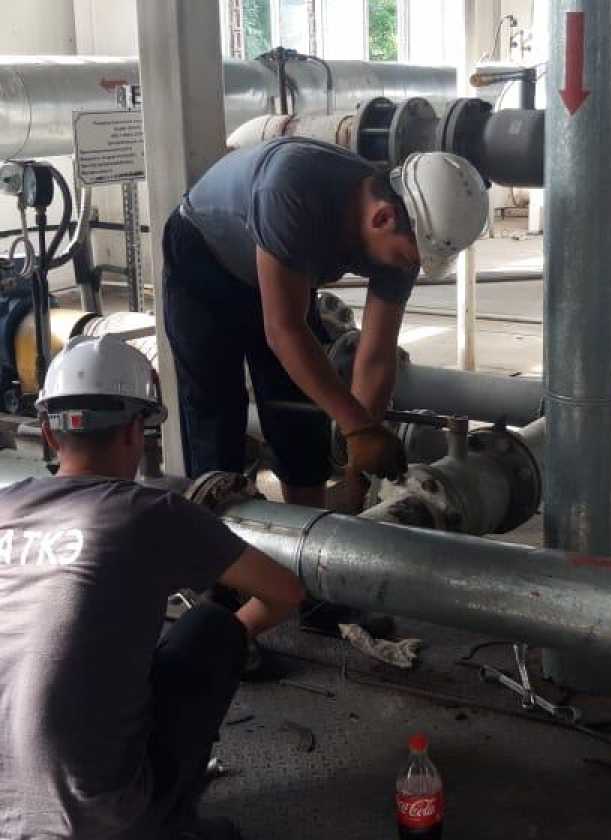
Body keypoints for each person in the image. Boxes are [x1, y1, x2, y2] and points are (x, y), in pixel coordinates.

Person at [0, 335, 305, 840]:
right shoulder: (151, 513)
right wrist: (238, 632)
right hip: (95, 822)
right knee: (210, 629)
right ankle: (167, 821)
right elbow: (285, 592)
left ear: (50, 435)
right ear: (135, 432)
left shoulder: (6, 506)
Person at [162, 139, 489, 509]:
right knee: (216, 414)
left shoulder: (404, 236)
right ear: (382, 218)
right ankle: (213, 531)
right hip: (204, 260)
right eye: (407, 258)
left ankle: (309, 527)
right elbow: (284, 330)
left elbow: (376, 355)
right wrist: (357, 426)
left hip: (281, 263)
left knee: (300, 410)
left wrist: (358, 468)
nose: (408, 267)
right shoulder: (291, 188)